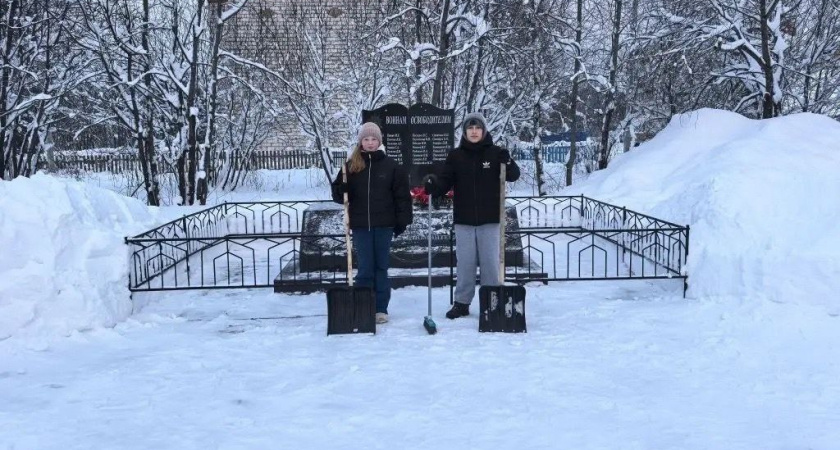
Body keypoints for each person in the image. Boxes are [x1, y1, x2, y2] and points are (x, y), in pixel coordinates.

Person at [423, 112, 520, 319]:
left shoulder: (495, 153)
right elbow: (445, 181)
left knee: (490, 263)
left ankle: (491, 301)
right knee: (465, 263)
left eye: (477, 128)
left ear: (483, 131)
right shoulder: (456, 156)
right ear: (465, 132)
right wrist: (434, 186)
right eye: (470, 128)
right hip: (464, 220)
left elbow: (513, 175)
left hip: (490, 219)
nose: (474, 132)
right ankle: (462, 303)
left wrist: (508, 162)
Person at [331, 122, 412, 324]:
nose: (369, 143)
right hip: (360, 225)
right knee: (366, 267)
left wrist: (403, 220)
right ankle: (363, 303)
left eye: (373, 139)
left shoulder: (391, 166)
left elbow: (402, 196)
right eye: (366, 139)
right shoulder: (351, 166)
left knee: (381, 267)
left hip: (384, 225)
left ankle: (380, 308)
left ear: (379, 141)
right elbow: (338, 193)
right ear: (361, 142)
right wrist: (341, 190)